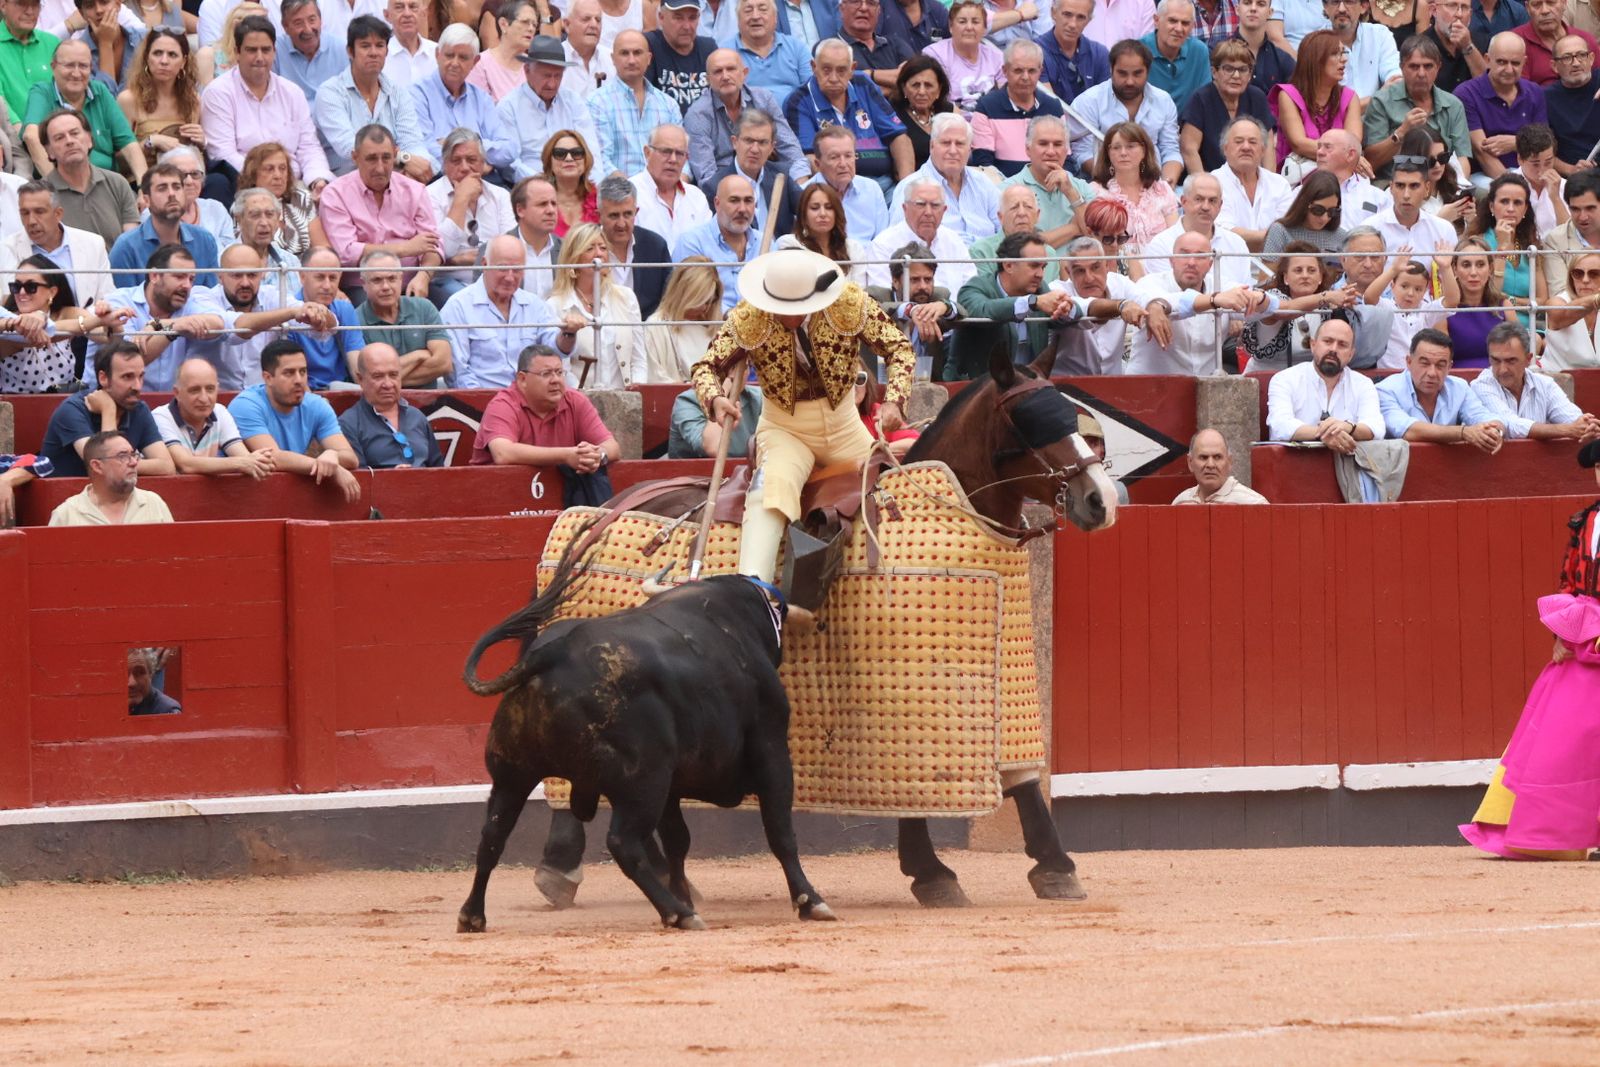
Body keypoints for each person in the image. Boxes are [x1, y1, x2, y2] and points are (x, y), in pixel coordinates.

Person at [689, 246, 915, 584]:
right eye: (781, 308)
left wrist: (895, 400)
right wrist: (715, 399)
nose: (788, 317)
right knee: (772, 490)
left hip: (844, 424)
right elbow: (706, 367)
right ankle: (753, 590)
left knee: (885, 485)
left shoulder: (848, 302)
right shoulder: (749, 316)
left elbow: (899, 348)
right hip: (784, 428)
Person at [1458, 436, 1600, 859]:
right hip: (1587, 639)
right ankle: (1568, 834)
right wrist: (1563, 633)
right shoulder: (1585, 522)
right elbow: (1569, 585)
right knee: (1563, 741)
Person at [200, 15, 334, 203]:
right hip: (243, 187)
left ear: (274, 52)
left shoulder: (292, 92)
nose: (259, 57)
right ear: (237, 52)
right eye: (251, 50)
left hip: (293, 184)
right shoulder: (218, 93)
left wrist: (318, 179)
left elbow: (308, 147)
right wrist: (268, 177)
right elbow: (222, 154)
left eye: (266, 50)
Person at [470, 342, 622, 490]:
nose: (555, 380)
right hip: (497, 493)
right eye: (546, 374)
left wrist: (597, 456)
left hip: (561, 496)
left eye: (559, 372)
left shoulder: (575, 400)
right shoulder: (503, 405)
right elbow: (503, 453)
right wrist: (566, 455)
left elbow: (612, 447)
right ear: (522, 379)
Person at [315, 123, 442, 300]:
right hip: (362, 287)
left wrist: (424, 277)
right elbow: (346, 252)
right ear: (355, 157)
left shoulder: (415, 190)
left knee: (452, 300)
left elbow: (434, 246)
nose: (380, 167)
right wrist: (405, 248)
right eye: (372, 159)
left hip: (411, 283)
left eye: (386, 158)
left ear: (396, 154)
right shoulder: (336, 193)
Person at [229, 336, 362, 500]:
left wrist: (333, 456)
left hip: (283, 495)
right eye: (289, 373)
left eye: (303, 371)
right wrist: (327, 465)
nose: (299, 380)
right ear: (267, 378)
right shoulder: (246, 405)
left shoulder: (317, 405)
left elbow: (350, 458)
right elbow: (273, 458)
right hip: (241, 497)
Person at [442, 232, 580, 387]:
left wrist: (568, 333)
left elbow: (556, 350)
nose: (510, 277)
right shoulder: (458, 307)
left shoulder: (534, 305)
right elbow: (458, 373)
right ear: (484, 264)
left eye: (517, 270)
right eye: (503, 268)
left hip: (532, 400)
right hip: (480, 402)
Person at [1131, 230, 1271, 374]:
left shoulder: (1221, 284)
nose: (1191, 262)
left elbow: (1267, 307)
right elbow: (1161, 300)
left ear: (1210, 264)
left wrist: (1260, 297)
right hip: (1148, 388)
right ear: (1171, 260)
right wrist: (1214, 300)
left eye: (1200, 256)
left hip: (1204, 389)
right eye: (1184, 254)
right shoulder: (1149, 283)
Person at [947, 230, 1081, 380]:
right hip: (975, 391)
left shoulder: (1040, 289)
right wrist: (1033, 303)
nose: (1040, 274)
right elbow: (982, 310)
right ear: (1008, 265)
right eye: (1034, 266)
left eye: (1043, 267)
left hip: (1027, 389)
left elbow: (1075, 314)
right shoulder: (975, 287)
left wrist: (1068, 308)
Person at [311, 15, 432, 179]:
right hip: (347, 182)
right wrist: (403, 159)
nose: (373, 53)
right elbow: (350, 148)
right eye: (365, 46)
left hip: (394, 179)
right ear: (350, 51)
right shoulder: (330, 93)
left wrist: (415, 165)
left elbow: (413, 141)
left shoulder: (398, 93)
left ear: (387, 51)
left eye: (380, 45)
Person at [103, 242, 236, 391]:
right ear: (154, 276)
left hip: (169, 404)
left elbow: (218, 323)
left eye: (191, 279)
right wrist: (173, 328)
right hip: (115, 400)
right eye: (179, 277)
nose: (187, 285)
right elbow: (130, 359)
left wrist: (163, 324)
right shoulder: (119, 302)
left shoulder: (188, 302)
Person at [787, 37, 912, 189]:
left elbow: (899, 137)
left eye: (841, 70)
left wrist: (905, 189)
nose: (833, 78)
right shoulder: (799, 100)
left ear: (852, 69)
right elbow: (810, 157)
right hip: (836, 188)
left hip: (886, 184)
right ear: (814, 67)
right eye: (826, 69)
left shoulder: (863, 84)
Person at [39, 340, 175, 478]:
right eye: (127, 377)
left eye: (140, 376)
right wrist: (108, 409)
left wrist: (126, 462)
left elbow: (166, 466)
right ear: (103, 378)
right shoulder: (73, 410)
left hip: (110, 496)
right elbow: (107, 465)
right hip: (65, 496)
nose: (138, 386)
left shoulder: (138, 409)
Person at [0, 253, 128, 393]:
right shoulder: (8, 323)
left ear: (52, 292)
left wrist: (110, 316)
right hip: (17, 405)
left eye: (31, 286)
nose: (21, 292)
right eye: (16, 286)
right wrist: (96, 321)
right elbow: (42, 334)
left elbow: (109, 338)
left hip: (63, 403)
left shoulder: (67, 314)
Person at [22, 39, 145, 179]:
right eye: (69, 65)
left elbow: (129, 144)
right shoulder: (42, 92)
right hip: (63, 182)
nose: (76, 73)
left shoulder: (100, 91)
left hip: (107, 182)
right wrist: (57, 187)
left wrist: (144, 185)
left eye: (83, 66)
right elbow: (31, 137)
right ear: (53, 66)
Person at [691, 51, 809, 194]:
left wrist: (801, 184)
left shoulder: (763, 99)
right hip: (726, 189)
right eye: (717, 72)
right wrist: (743, 195)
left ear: (744, 73)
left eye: (731, 69)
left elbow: (789, 147)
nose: (725, 76)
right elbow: (706, 177)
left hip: (766, 177)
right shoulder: (697, 114)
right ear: (708, 79)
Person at [1067, 40, 1182, 185]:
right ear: (1111, 69)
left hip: (1154, 186)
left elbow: (1170, 149)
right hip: (1102, 186)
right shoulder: (1089, 101)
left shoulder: (1163, 100)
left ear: (1148, 71)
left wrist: (1166, 185)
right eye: (1122, 73)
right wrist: (1120, 184)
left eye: (1137, 74)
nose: (1129, 81)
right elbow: (1082, 153)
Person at [547, 221, 646, 389]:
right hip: (578, 403)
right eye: (590, 248)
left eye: (603, 247)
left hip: (626, 403)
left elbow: (638, 359)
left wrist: (636, 392)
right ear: (574, 257)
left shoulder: (626, 297)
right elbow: (561, 367)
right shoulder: (555, 305)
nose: (599, 254)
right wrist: (585, 401)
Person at [1362, 35, 1473, 183]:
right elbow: (1371, 162)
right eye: (1414, 66)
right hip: (1394, 183)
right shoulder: (1381, 101)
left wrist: (1459, 187)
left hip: (1441, 183)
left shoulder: (1453, 104)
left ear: (1438, 67)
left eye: (1428, 66)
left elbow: (1462, 159)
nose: (1421, 74)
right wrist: (1401, 133)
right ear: (1401, 67)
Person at [1263, 315, 1384, 450]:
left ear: (1351, 354)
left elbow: (1376, 428)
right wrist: (1326, 434)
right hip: (1296, 463)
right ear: (1313, 345)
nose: (1333, 349)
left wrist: (1349, 427)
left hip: (1348, 466)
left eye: (1342, 345)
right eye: (1327, 341)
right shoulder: (1285, 379)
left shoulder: (1363, 384)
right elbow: (1280, 426)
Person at [499, 37, 608, 183]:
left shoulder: (573, 102)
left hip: (575, 187)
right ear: (527, 70)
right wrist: (544, 183)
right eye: (546, 76)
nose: (552, 84)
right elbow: (510, 164)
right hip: (531, 189)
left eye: (558, 76)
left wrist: (593, 187)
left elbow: (591, 152)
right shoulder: (508, 107)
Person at [1376, 327, 1507, 448]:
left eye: (1440, 365)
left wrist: (1494, 430)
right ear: (1409, 362)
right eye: (1424, 363)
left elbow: (1482, 416)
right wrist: (1463, 432)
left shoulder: (1459, 387)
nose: (1432, 373)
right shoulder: (1386, 390)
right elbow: (1408, 431)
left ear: (1450, 367)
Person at [411, 25, 516, 174]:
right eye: (449, 55)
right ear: (437, 55)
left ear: (475, 61)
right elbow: (423, 148)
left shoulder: (482, 99)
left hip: (484, 179)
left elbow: (509, 149)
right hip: (440, 180)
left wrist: (464, 145)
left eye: (463, 57)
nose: (454, 63)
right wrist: (478, 162)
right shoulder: (418, 94)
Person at [425, 127, 513, 306]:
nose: (464, 167)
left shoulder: (501, 196)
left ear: (483, 163)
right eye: (456, 160)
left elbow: (509, 249)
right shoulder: (429, 195)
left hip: (495, 279)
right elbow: (441, 251)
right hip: (447, 281)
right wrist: (461, 200)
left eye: (471, 160)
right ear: (445, 164)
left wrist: (458, 260)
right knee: (472, 302)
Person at [1242, 242, 1362, 371]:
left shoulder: (1328, 306)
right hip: (1265, 379)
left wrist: (1345, 306)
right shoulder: (1274, 298)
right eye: (1298, 270)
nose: (1305, 275)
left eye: (1311, 270)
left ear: (1320, 277)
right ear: (1286, 278)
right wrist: (1327, 296)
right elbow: (1286, 311)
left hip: (1311, 381)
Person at [1472, 319, 1600, 438]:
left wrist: (1587, 425)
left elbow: (1572, 417)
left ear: (1528, 359)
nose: (1502, 369)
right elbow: (1509, 424)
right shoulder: (1482, 384)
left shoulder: (1544, 384)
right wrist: (1567, 430)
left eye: (1511, 361)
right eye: (1495, 360)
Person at [0, 179, 114, 311]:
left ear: (58, 213)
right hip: (29, 329)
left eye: (39, 212)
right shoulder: (6, 249)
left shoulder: (93, 243)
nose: (31, 221)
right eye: (25, 213)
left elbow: (107, 298)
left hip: (88, 328)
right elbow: (8, 306)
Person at [153, 356, 276, 477]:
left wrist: (255, 461)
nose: (204, 398)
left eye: (210, 389)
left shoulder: (220, 412)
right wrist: (241, 463)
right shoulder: (161, 417)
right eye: (195, 390)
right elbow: (185, 464)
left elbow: (242, 455)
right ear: (177, 393)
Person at [889, 112, 999, 244]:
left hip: (988, 261)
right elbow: (899, 241)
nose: (953, 151)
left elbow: (1004, 229)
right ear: (932, 146)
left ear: (969, 150)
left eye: (959, 144)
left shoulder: (983, 183)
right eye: (946, 143)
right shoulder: (911, 187)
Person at [586, 28, 679, 181]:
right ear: (613, 59)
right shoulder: (597, 103)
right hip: (618, 195)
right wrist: (634, 192)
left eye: (637, 53)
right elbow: (600, 159)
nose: (631, 60)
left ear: (649, 58)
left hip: (664, 192)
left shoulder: (668, 105)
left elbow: (681, 156)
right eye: (624, 53)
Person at [39, 108, 138, 249]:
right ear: (49, 151)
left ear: (90, 140)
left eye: (74, 133)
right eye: (59, 138)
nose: (69, 141)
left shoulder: (117, 183)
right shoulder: (41, 194)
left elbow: (131, 244)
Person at [109, 161, 220, 286]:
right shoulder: (127, 247)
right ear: (147, 200)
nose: (172, 194)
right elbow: (122, 301)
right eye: (162, 188)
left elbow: (211, 297)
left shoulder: (204, 240)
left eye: (177, 187)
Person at [1043, 235, 1142, 375]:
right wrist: (1122, 306)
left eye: (1095, 268)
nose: (1089, 278)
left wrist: (1155, 306)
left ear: (1107, 266)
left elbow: (1146, 298)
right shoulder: (1056, 291)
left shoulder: (1121, 284)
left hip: (1113, 385)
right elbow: (1086, 308)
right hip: (1067, 388)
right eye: (1080, 271)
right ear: (1068, 273)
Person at [1458, 32, 1549, 181]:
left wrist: (1517, 143)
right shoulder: (1467, 94)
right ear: (1487, 60)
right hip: (1486, 176)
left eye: (1515, 63)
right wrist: (1515, 187)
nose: (1508, 69)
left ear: (1524, 62)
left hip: (1532, 172)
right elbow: (1483, 153)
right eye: (1501, 62)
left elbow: (1544, 145)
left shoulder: (1535, 92)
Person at [1271, 30, 1364, 177]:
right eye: (1336, 53)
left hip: (1342, 175)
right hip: (1300, 180)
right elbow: (1299, 143)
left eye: (1343, 52)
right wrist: (1343, 154)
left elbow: (1353, 143)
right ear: (1316, 60)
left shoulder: (1350, 97)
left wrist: (1348, 154)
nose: (1344, 59)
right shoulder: (1288, 95)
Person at [337, 342, 445, 467]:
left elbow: (438, 470)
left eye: (393, 375)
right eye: (378, 376)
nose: (388, 384)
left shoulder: (417, 417)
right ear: (360, 379)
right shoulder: (349, 424)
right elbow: (358, 479)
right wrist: (391, 478)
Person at [1180, 38, 1276, 177]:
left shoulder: (1257, 97)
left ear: (1250, 75)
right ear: (1214, 72)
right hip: (1211, 179)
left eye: (1243, 69)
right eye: (1228, 69)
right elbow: (1189, 149)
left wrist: (1269, 184)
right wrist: (1204, 186)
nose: (1236, 76)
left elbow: (1267, 146)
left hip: (1250, 179)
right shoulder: (1201, 99)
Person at [968, 39, 1064, 178]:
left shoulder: (1053, 107)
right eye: (1018, 70)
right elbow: (984, 164)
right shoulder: (986, 107)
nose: (1025, 77)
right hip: (1002, 191)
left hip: (1048, 189)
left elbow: (1064, 158)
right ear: (1005, 71)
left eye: (1032, 71)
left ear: (1040, 71)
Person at [864, 177, 978, 291]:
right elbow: (881, 298)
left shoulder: (954, 241)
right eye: (920, 204)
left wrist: (947, 307)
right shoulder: (883, 246)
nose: (928, 212)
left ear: (944, 210)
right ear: (905, 208)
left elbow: (971, 291)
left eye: (935, 205)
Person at [356, 249, 452, 385]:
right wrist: (418, 356)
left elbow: (444, 363)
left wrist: (386, 379)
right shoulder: (355, 320)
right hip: (380, 405)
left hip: (431, 403)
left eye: (391, 278)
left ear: (401, 278)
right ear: (363, 284)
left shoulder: (424, 308)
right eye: (377, 280)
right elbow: (367, 379)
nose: (386, 286)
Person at [870, 240, 961, 381]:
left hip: (927, 390)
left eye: (928, 279)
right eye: (915, 280)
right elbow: (871, 310)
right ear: (895, 281)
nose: (923, 286)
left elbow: (964, 311)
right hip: (883, 389)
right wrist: (909, 309)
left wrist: (947, 307)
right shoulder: (877, 295)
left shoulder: (938, 297)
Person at [705, 107, 803, 237]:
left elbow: (808, 209)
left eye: (762, 142)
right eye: (749, 141)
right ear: (735, 142)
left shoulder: (781, 176)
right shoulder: (715, 186)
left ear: (772, 147)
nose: (755, 149)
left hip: (779, 254)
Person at [1143, 174, 1253, 288]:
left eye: (1212, 201)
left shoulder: (1236, 243)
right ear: (1183, 201)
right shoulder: (1160, 245)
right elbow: (1165, 297)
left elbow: (1245, 293)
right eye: (1199, 199)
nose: (1206, 207)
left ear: (1220, 205)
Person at [47, 428, 175, 525]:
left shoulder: (154, 503)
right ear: (97, 466)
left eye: (133, 454)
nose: (134, 462)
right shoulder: (67, 514)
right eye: (122, 456)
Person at [116, 27, 203, 167]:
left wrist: (201, 143)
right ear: (146, 57)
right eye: (157, 53)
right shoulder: (128, 99)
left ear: (183, 62)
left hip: (185, 178)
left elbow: (196, 158)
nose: (164, 61)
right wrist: (150, 142)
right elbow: (118, 161)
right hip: (143, 178)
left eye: (172, 55)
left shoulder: (193, 99)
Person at [1468, 171, 1547, 326]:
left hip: (1531, 327)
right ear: (1491, 206)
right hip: (1493, 324)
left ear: (1525, 210)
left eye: (1517, 203)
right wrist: (1502, 248)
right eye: (1504, 201)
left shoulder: (1530, 245)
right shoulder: (1477, 243)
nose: (1510, 209)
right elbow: (1491, 298)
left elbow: (1542, 300)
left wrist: (1510, 300)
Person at [672, 173, 759, 313]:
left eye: (748, 201)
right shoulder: (692, 242)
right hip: (707, 330)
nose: (742, 209)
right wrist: (737, 320)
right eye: (734, 200)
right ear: (717, 204)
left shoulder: (765, 243)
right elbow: (692, 299)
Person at [1088, 120, 1179, 252]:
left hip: (1160, 264)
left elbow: (1174, 237)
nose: (1123, 153)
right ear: (1108, 153)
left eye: (1130, 146)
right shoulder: (1096, 192)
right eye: (1116, 147)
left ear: (1144, 151)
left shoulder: (1162, 189)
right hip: (1117, 267)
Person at [1362, 245, 1455, 368]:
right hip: (1387, 376)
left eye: (1418, 289)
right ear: (1392, 285)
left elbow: (1452, 301)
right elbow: (1369, 298)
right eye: (1404, 286)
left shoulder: (1426, 311)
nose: (1410, 293)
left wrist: (1446, 268)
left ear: (1425, 291)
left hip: (1417, 375)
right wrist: (1393, 270)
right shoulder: (1385, 306)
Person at [594, 174, 671, 318]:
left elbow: (668, 301)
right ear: (599, 215)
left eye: (628, 214)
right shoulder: (585, 247)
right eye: (614, 216)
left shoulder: (655, 246)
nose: (622, 224)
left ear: (637, 212)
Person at [1212, 116, 1293, 252]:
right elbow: (1222, 234)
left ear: (1262, 150)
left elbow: (1288, 232)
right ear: (1225, 149)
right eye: (1238, 141)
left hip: (1273, 268)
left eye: (1253, 142)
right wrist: (1273, 238)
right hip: (1227, 267)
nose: (1246, 147)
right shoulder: (1212, 183)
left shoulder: (1279, 185)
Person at [1367, 156, 1459, 272]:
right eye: (1400, 186)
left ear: (1427, 188)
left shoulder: (1444, 230)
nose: (1406, 195)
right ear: (1391, 188)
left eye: (1414, 186)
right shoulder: (1371, 228)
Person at [628, 121, 710, 247]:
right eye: (666, 151)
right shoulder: (630, 194)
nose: (673, 160)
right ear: (647, 153)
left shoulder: (697, 198)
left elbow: (708, 246)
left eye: (679, 153)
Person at [804, 125, 889, 242]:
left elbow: (883, 240)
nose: (843, 164)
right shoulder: (803, 194)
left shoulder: (871, 188)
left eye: (848, 156)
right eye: (834, 157)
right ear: (818, 164)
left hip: (868, 259)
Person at [643, 255, 722, 382]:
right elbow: (654, 378)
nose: (704, 308)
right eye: (700, 300)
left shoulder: (715, 330)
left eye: (710, 301)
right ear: (683, 293)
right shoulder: (656, 326)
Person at [1448, 233, 1521, 366]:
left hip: (1499, 381)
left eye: (1480, 264)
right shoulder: (1444, 310)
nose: (1474, 272)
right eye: (1466, 265)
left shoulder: (1504, 307)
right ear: (1454, 270)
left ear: (1490, 269)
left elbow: (1519, 355)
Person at [777, 181, 866, 284]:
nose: (823, 214)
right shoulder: (789, 243)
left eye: (829, 207)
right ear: (803, 215)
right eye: (815, 208)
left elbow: (859, 291)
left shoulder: (853, 248)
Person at [239, 140, 317, 257]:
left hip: (305, 271)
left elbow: (321, 247)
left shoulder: (302, 199)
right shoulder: (243, 206)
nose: (278, 175)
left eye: (282, 168)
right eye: (269, 169)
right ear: (253, 174)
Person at [924, 0, 1003, 112]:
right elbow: (934, 100)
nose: (969, 27)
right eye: (962, 22)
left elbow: (1006, 98)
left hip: (990, 122)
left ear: (984, 28)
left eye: (975, 22)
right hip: (951, 121)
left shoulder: (997, 57)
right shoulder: (934, 55)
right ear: (951, 27)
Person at [723, 0, 809, 101]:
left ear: (775, 18)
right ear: (738, 20)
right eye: (748, 11)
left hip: (793, 114)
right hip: (747, 115)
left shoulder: (796, 47)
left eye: (763, 10)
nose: (755, 16)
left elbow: (812, 90)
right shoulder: (725, 53)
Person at [646, 0, 718, 113]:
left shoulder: (709, 49)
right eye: (678, 18)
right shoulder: (649, 45)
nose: (687, 26)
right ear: (661, 17)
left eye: (692, 18)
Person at [1141, 0, 1211, 115]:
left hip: (1188, 127)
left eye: (1185, 23)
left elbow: (1204, 102)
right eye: (1172, 21)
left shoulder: (1199, 52)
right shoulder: (1139, 52)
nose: (1179, 28)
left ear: (1193, 26)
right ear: (1156, 20)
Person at [1544, 32, 1600, 173]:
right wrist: (1571, 170)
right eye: (1567, 58)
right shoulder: (1545, 98)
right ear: (1554, 66)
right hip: (1579, 178)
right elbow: (1541, 150)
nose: (1576, 63)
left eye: (1581, 55)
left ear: (1591, 58)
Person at [1262, 169, 1348, 261]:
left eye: (1332, 211)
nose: (1325, 218)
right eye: (1318, 210)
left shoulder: (1342, 237)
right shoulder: (1280, 231)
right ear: (1304, 203)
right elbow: (1267, 274)